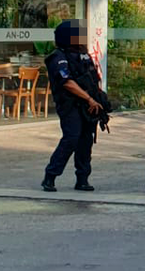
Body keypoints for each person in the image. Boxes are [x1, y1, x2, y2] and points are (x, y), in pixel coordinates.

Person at [42, 19, 111, 192]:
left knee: (86, 141)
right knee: (71, 138)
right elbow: (67, 83)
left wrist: (97, 98)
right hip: (71, 105)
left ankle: (82, 179)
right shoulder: (57, 57)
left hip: (89, 105)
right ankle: (50, 176)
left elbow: (93, 77)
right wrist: (88, 99)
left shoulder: (83, 54)